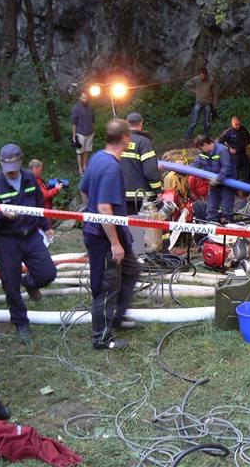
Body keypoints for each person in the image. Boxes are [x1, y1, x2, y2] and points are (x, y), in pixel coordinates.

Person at [0, 144, 57, 343]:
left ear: (21, 161)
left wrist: (46, 225)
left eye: (14, 167)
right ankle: (21, 323)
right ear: (1, 163)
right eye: (7, 168)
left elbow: (40, 205)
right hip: (7, 240)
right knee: (10, 284)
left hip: (30, 235)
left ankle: (30, 283)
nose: (11, 172)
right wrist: (2, 215)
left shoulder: (30, 178)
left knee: (48, 273)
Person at [80, 119, 140, 350]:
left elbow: (84, 190)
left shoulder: (96, 158)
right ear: (126, 138)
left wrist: (90, 212)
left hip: (110, 230)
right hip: (103, 237)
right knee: (106, 285)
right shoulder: (111, 167)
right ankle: (101, 338)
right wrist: (115, 243)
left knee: (131, 270)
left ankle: (118, 317)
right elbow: (104, 207)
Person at [121, 112, 162, 214]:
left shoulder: (120, 142)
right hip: (143, 197)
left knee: (129, 227)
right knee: (147, 228)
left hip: (122, 196)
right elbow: (150, 170)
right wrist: (158, 191)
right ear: (141, 124)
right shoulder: (143, 142)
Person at [191, 135, 237, 222]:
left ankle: (228, 228)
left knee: (226, 209)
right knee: (211, 209)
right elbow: (195, 165)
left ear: (205, 145)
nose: (200, 151)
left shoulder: (222, 150)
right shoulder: (202, 154)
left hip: (226, 184)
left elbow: (226, 168)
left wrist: (218, 179)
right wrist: (184, 168)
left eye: (201, 148)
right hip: (213, 184)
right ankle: (212, 226)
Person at [183, 68, 216, 139]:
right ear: (200, 74)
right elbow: (187, 84)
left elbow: (214, 92)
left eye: (205, 76)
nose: (203, 77)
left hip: (207, 102)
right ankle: (187, 135)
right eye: (202, 75)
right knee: (194, 121)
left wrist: (214, 102)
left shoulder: (211, 80)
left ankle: (205, 135)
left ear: (207, 75)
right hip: (198, 102)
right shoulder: (196, 79)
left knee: (207, 121)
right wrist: (193, 91)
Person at [218, 116, 250, 181]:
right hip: (234, 155)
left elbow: (248, 136)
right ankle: (236, 185)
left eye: (239, 124)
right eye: (236, 124)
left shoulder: (243, 129)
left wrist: (248, 144)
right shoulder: (228, 132)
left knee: (247, 169)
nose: (238, 126)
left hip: (243, 152)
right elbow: (219, 142)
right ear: (232, 123)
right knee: (236, 171)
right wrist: (228, 148)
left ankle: (248, 185)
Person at [71, 92, 96, 176]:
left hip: (90, 132)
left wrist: (93, 130)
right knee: (79, 152)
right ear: (80, 98)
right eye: (83, 98)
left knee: (86, 151)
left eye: (86, 97)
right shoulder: (76, 108)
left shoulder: (90, 107)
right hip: (80, 133)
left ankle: (85, 166)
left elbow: (93, 121)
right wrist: (74, 136)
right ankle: (80, 169)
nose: (85, 99)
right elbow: (74, 123)